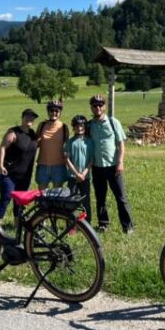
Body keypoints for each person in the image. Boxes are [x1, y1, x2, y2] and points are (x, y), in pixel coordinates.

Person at [88, 94, 134, 234]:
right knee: (100, 197)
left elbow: (121, 144)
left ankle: (128, 226)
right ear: (91, 107)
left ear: (105, 106)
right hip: (97, 167)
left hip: (113, 166)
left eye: (100, 105)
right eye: (95, 105)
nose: (98, 108)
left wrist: (120, 162)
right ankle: (103, 224)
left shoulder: (113, 122)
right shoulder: (90, 125)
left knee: (121, 197)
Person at [0, 108, 38, 222]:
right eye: (27, 116)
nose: (29, 119)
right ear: (22, 117)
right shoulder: (13, 132)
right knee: (7, 196)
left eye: (32, 117)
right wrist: (0, 165)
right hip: (8, 171)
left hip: (24, 174)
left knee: (20, 199)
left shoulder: (33, 134)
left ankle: (17, 223)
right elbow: (3, 147)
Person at [63, 114, 94, 223]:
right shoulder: (70, 142)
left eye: (82, 126)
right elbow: (67, 160)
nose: (79, 128)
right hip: (72, 177)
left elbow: (91, 160)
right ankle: (70, 224)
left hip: (85, 177)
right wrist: (77, 174)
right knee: (71, 201)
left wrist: (84, 174)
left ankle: (87, 222)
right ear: (73, 127)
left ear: (85, 127)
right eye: (77, 126)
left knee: (86, 201)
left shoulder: (90, 142)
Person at [35, 99, 69, 190]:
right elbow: (35, 143)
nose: (54, 113)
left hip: (59, 165)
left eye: (57, 111)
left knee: (57, 196)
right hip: (43, 165)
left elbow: (67, 145)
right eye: (51, 110)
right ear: (48, 111)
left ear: (60, 112)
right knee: (42, 195)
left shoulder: (64, 127)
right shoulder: (41, 125)